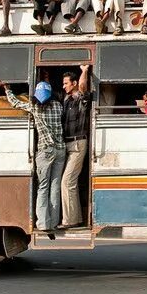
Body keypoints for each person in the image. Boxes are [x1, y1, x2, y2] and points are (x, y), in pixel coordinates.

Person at [2, 79, 64, 231]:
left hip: (45, 150)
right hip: (61, 150)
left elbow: (15, 103)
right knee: (55, 187)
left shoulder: (34, 107)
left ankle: (43, 223)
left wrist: (7, 89)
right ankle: (54, 222)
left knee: (43, 187)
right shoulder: (58, 106)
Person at [59, 65, 91, 229]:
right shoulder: (67, 100)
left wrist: (84, 71)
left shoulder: (81, 99)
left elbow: (84, 89)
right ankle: (76, 218)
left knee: (67, 182)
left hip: (78, 143)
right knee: (71, 183)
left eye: (66, 83)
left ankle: (69, 220)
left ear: (74, 83)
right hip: (68, 143)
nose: (64, 86)